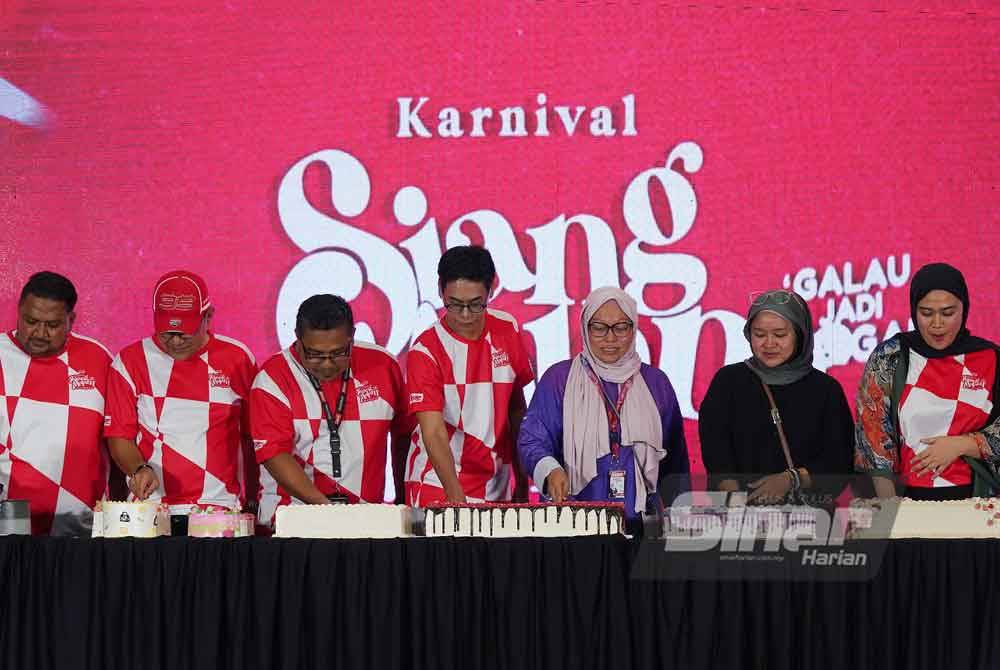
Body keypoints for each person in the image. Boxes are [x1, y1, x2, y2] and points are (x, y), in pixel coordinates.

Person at [517, 287, 689, 519]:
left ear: (634, 328)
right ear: (585, 327)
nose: (610, 338)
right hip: (575, 521)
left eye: (621, 327)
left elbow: (675, 462)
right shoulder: (559, 379)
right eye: (598, 328)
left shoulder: (656, 383)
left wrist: (677, 515)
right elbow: (532, 439)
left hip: (641, 523)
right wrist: (550, 469)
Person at [104, 270, 258, 515]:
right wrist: (139, 469)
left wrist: (254, 499)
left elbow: (254, 438)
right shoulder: (129, 361)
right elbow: (119, 436)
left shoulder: (238, 358)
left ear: (209, 316)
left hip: (219, 509)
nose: (175, 342)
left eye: (184, 333)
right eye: (167, 333)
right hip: (150, 510)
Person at [250, 294, 412, 527]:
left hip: (368, 521)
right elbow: (273, 455)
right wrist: (328, 512)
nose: (327, 364)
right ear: (297, 337)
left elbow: (404, 435)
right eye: (314, 354)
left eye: (338, 353)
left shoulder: (383, 365)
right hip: (290, 523)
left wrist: (402, 500)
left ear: (352, 336)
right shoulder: (272, 379)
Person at [855, 263, 1000, 500]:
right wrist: (891, 508)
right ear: (913, 310)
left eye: (947, 312)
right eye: (926, 312)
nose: (937, 324)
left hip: (980, 502)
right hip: (906, 500)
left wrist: (962, 444)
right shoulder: (889, 357)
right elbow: (873, 439)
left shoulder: (991, 358)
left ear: (965, 309)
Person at [405, 245, 534, 505]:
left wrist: (522, 480)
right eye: (454, 304)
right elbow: (434, 433)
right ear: (441, 290)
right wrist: (457, 499)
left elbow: (516, 409)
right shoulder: (425, 350)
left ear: (491, 290)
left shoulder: (507, 328)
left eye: (475, 305)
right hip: (438, 484)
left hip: (496, 483)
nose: (464, 315)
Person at [699, 289, 853, 504]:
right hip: (741, 521)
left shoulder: (826, 390)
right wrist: (737, 504)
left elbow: (839, 462)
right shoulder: (728, 382)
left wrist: (792, 479)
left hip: (810, 523)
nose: (769, 344)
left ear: (800, 334)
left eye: (780, 334)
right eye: (759, 334)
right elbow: (717, 455)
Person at [0, 271, 112, 535]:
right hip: (8, 529)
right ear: (18, 311)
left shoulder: (98, 359)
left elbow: (118, 437)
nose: (39, 333)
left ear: (71, 320)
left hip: (81, 528)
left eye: (52, 325)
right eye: (30, 321)